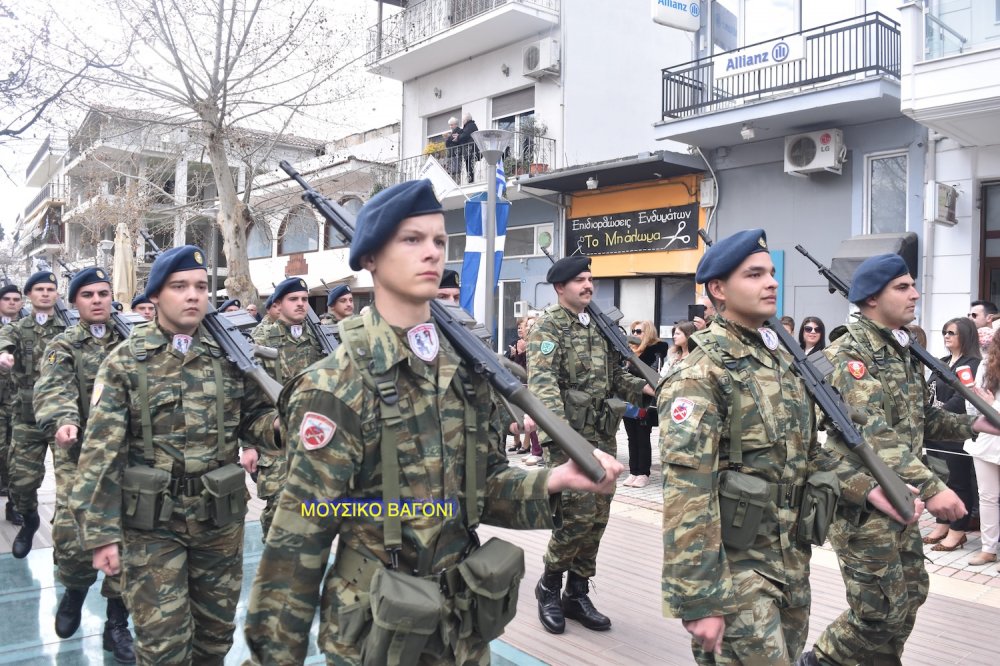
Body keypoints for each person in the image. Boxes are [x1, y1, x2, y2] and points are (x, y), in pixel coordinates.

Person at [243, 179, 623, 664]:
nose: (431, 253)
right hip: (374, 629)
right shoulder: (337, 383)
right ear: (370, 259)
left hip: (462, 620)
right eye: (411, 239)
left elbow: (479, 491)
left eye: (439, 241)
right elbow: (301, 536)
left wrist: (553, 480)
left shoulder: (462, 371)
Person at [658, 230, 919, 665]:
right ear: (718, 290)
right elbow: (687, 494)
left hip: (790, 557)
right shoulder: (700, 373)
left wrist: (867, 488)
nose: (772, 282)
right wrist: (697, 599)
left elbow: (806, 453)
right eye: (755, 274)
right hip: (736, 570)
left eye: (773, 273)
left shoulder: (780, 361)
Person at [68, 245, 279, 664]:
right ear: (156, 296)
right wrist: (101, 535)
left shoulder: (231, 355)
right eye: (179, 286)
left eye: (201, 286)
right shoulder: (126, 362)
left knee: (215, 637)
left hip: (219, 519)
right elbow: (100, 454)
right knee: (163, 646)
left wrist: (279, 426)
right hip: (152, 525)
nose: (193, 295)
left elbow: (255, 418)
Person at [802, 254, 1000, 666]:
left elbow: (920, 418)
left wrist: (973, 425)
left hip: (902, 498)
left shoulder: (900, 348)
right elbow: (873, 431)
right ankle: (819, 661)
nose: (915, 293)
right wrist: (934, 486)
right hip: (865, 498)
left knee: (910, 594)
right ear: (872, 298)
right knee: (875, 613)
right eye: (902, 287)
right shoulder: (848, 353)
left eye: (912, 284)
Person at [525, 255, 653, 635]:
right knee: (574, 518)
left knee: (597, 517)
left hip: (603, 436)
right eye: (579, 279)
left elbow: (616, 378)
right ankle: (549, 586)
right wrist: (568, 445)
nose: (587, 285)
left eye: (589, 278)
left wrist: (649, 388)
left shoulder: (598, 324)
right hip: (570, 443)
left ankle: (576, 592)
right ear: (560, 287)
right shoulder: (549, 327)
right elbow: (544, 389)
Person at [32, 267, 135, 661]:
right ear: (74, 302)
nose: (97, 300)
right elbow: (53, 387)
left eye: (104, 293)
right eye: (88, 294)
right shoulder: (63, 345)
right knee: (76, 537)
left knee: (128, 535)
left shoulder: (133, 342)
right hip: (79, 454)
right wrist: (64, 420)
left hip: (129, 457)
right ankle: (74, 593)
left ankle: (116, 621)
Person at [245, 276, 325, 540]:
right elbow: (248, 397)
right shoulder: (262, 339)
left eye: (304, 299)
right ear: (278, 304)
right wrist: (248, 446)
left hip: (314, 436)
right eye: (294, 299)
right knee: (279, 510)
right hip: (276, 441)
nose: (301, 304)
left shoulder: (318, 337)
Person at [0, 270, 67, 557]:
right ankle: (29, 519)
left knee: (70, 482)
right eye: (39, 289)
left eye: (50, 289)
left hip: (64, 417)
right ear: (30, 295)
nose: (45, 293)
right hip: (26, 417)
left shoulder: (69, 329)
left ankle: (64, 540)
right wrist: (4, 353)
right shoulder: (17, 327)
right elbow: (4, 338)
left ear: (56, 294)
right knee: (21, 482)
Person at [921, 317, 981, 551]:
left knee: (958, 480)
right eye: (945, 332)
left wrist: (939, 415)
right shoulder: (942, 362)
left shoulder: (973, 363)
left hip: (955, 431)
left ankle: (958, 530)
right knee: (939, 479)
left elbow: (964, 396)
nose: (946, 336)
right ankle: (942, 524)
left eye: (952, 333)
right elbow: (929, 391)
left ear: (965, 336)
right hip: (936, 431)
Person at [622, 320, 668, 488]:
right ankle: (633, 471)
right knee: (631, 437)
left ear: (647, 332)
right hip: (628, 398)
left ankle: (643, 473)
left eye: (639, 331)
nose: (635, 334)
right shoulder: (628, 350)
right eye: (633, 331)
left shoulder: (655, 350)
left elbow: (654, 373)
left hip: (645, 400)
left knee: (642, 436)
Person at [968, 330, 1000, 565]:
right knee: (987, 496)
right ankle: (988, 548)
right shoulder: (986, 365)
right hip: (988, 439)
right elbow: (976, 403)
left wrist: (994, 405)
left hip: (990, 433)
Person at [0, 283, 23, 516]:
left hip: (17, 404)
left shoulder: (26, 329)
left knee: (16, 455)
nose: (12, 302)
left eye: (16, 299)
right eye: (7, 298)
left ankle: (14, 504)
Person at [456, 112, 480, 183]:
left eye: (463, 120)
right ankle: (470, 180)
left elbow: (465, 135)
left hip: (471, 150)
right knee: (469, 166)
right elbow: (464, 134)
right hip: (469, 151)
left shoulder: (471, 126)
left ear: (466, 120)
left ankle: (471, 181)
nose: (462, 122)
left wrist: (458, 137)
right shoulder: (468, 126)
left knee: (470, 167)